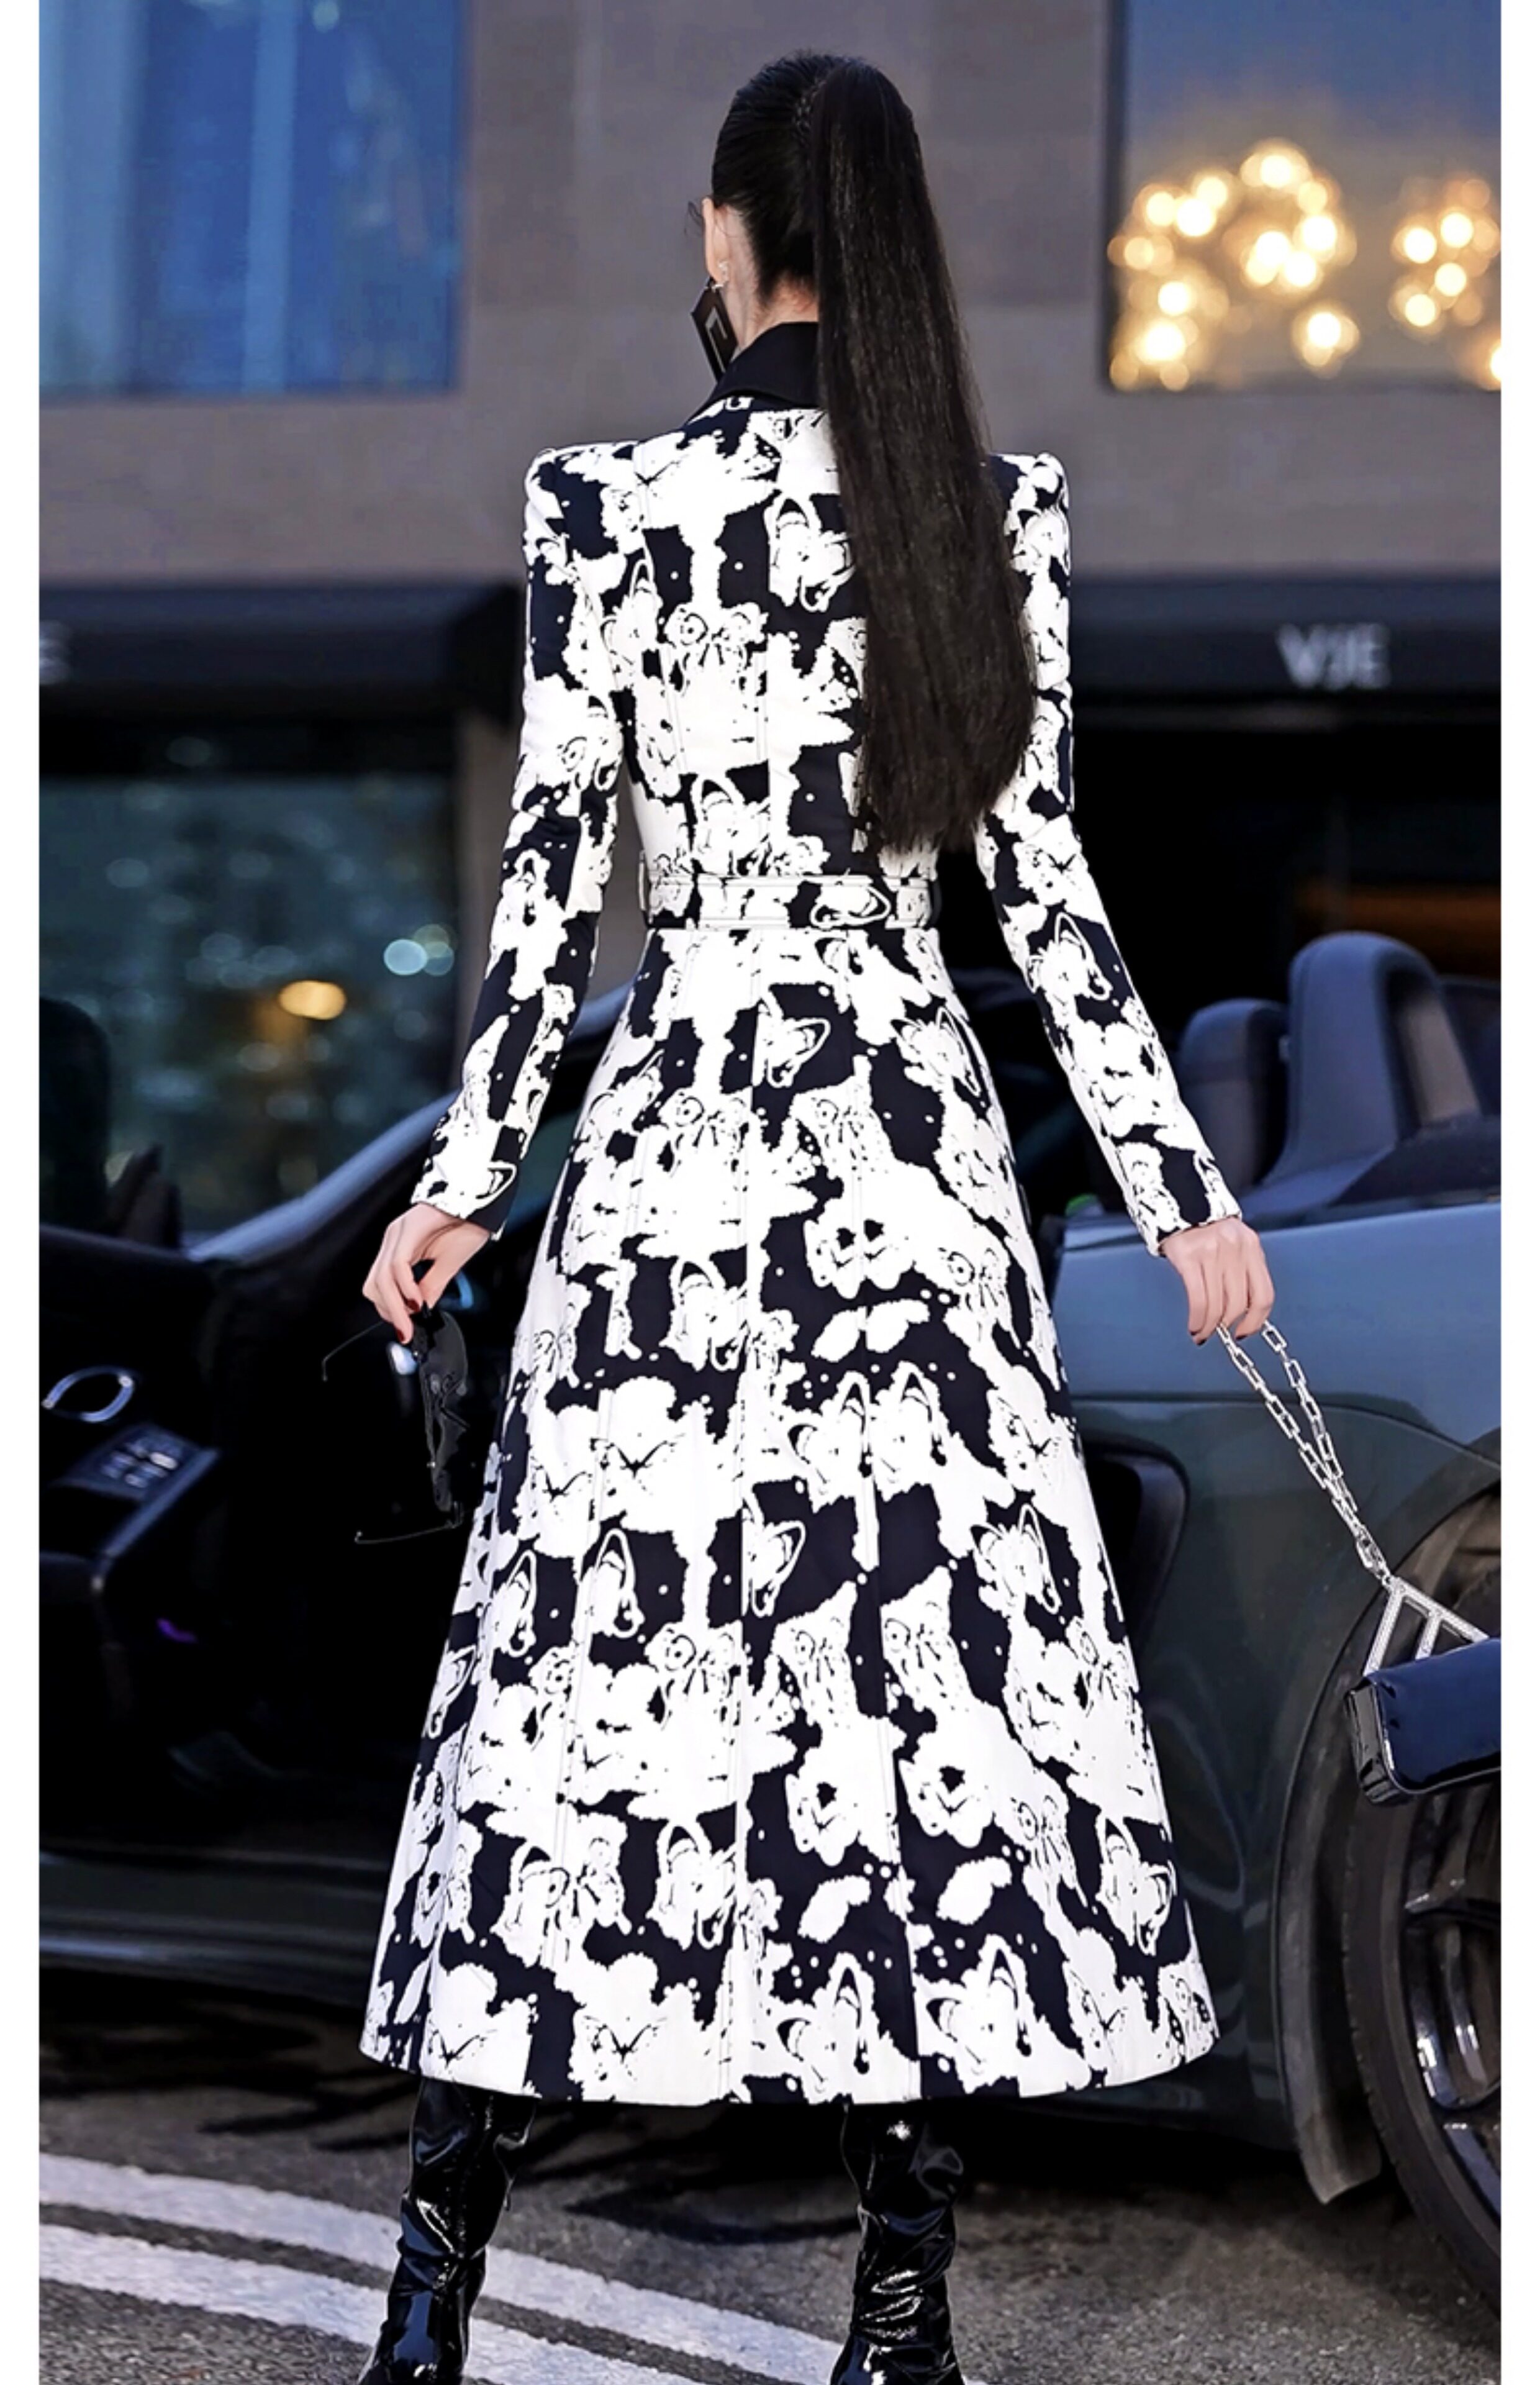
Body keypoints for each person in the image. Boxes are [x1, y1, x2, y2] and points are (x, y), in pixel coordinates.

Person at [354, 49, 1273, 2385]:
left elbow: (552, 895)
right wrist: (1179, 1194)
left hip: (684, 1142)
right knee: (911, 1697)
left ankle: (433, 2294)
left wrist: (468, 1180)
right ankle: (901, 2312)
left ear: (725, 231)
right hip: (904, 1152)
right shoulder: (987, 514)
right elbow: (1046, 895)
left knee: (583, 1687)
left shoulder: (607, 506)